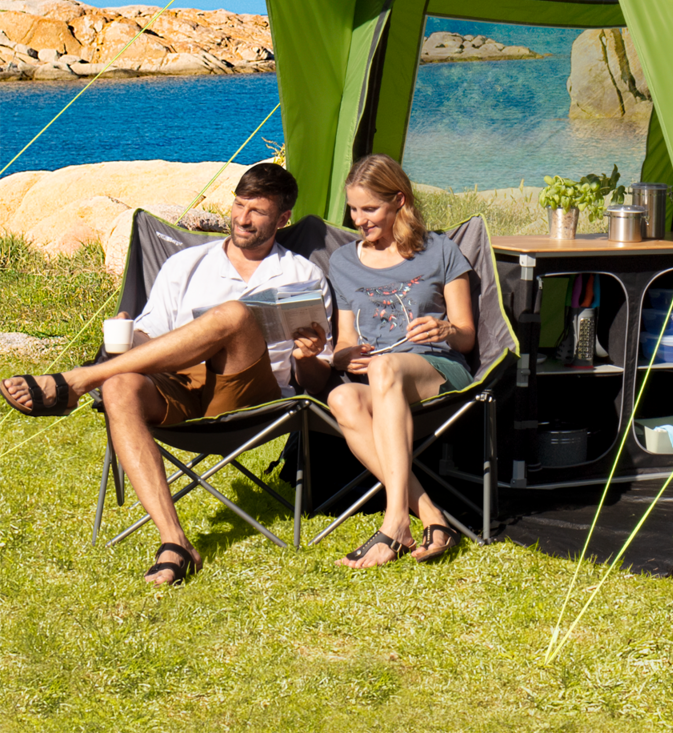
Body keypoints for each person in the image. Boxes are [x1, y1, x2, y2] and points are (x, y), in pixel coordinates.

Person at [2, 163, 332, 585]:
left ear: (283, 218)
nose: (242, 218)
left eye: (258, 211)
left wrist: (308, 356)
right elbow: (150, 340)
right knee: (120, 385)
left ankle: (81, 381)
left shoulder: (302, 276)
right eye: (238, 204)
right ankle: (174, 541)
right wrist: (127, 338)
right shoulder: (186, 264)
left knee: (232, 314)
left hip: (249, 392)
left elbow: (316, 383)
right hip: (178, 382)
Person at [326, 154, 476, 568]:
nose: (359, 220)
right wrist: (346, 357)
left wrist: (445, 330)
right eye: (353, 209)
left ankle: (393, 524)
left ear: (399, 200)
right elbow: (343, 341)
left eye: (369, 209)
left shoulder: (441, 252)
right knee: (342, 399)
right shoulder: (342, 262)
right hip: (379, 375)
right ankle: (430, 516)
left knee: (385, 368)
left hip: (436, 369)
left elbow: (465, 336)